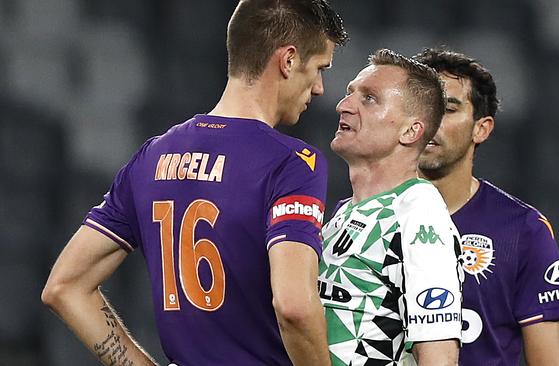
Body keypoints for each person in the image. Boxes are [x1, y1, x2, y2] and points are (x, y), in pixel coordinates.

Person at [41, 1, 348, 365]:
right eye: (318, 69)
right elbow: (294, 306)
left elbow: (64, 286)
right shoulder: (292, 163)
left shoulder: (152, 156)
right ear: (289, 60)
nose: (319, 88)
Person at [413, 47, 559, 365]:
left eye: (447, 108)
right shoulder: (364, 216)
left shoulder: (523, 231)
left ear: (481, 128)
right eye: (420, 106)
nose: (430, 121)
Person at [318, 48, 463, 366]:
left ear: (411, 131)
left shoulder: (419, 213)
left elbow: (438, 356)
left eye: (369, 98)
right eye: (349, 94)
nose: (344, 106)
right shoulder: (343, 213)